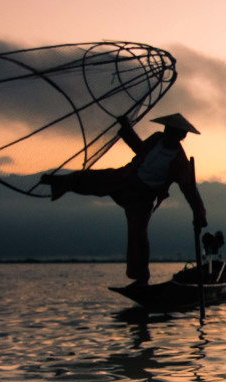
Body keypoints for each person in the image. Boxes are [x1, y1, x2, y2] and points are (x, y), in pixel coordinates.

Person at [41, 113, 208, 286]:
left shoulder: (180, 162)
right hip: (126, 178)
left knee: (138, 236)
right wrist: (126, 128)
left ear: (181, 136)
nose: (169, 134)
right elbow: (139, 148)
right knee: (92, 179)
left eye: (175, 132)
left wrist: (200, 215)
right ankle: (59, 182)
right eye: (168, 130)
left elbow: (190, 191)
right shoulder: (156, 139)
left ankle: (141, 279)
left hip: (143, 197)